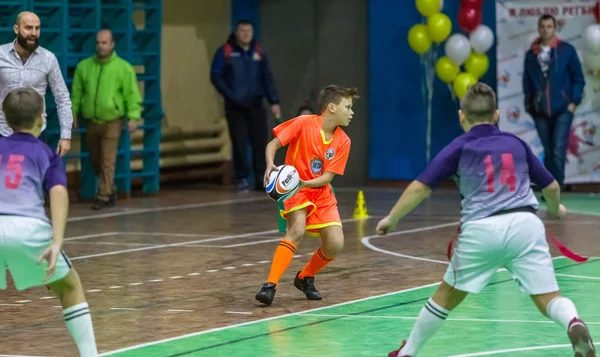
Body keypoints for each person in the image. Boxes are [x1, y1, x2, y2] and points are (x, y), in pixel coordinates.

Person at [377, 83, 595, 357]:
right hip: (525, 225)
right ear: (497, 115)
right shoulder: (516, 143)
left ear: (461, 116)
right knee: (548, 299)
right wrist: (554, 209)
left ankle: (407, 352)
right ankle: (573, 322)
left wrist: (392, 218)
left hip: (481, 230)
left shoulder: (459, 147)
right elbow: (551, 187)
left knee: (445, 297)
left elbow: (421, 186)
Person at [0, 88, 98, 356]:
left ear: (5, 119)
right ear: (41, 119)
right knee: (70, 287)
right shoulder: (46, 153)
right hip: (27, 227)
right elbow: (57, 192)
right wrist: (56, 241)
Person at [255, 85, 358, 306]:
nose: (351, 112)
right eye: (348, 107)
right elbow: (273, 143)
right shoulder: (303, 123)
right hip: (295, 191)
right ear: (332, 108)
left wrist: (306, 182)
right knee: (297, 230)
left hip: (320, 192)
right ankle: (270, 285)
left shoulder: (344, 141)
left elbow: (327, 177)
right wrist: (270, 163)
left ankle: (305, 277)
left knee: (335, 244)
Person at [71, 29, 142, 210]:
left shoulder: (123, 68)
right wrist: (73, 113)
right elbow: (76, 93)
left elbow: (132, 94)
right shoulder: (84, 67)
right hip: (91, 121)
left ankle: (103, 195)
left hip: (113, 120)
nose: (100, 46)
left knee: (107, 160)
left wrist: (133, 116)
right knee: (96, 160)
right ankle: (110, 188)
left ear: (112, 45)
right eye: (98, 43)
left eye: (104, 43)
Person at [210, 19, 281, 193]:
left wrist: (274, 101)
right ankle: (242, 178)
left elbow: (267, 77)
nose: (246, 34)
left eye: (249, 31)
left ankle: (261, 179)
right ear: (236, 32)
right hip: (235, 107)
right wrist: (230, 95)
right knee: (239, 143)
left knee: (260, 143)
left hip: (256, 104)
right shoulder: (225, 51)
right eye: (242, 31)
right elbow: (216, 75)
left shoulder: (259, 52)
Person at [523, 14, 585, 190]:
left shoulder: (567, 51)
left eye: (549, 26)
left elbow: (578, 78)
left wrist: (573, 102)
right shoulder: (530, 55)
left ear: (555, 28)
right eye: (542, 26)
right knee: (548, 150)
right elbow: (527, 83)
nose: (545, 29)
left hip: (563, 109)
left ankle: (556, 186)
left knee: (558, 148)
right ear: (538, 28)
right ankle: (551, 186)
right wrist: (530, 105)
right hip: (540, 111)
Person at [0, 11, 73, 156]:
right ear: (16, 29)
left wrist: (66, 136)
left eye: (37, 28)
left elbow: (62, 98)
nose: (33, 33)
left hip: (35, 132)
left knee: (32, 177)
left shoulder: (48, 59)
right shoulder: (0, 54)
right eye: (28, 28)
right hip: (3, 131)